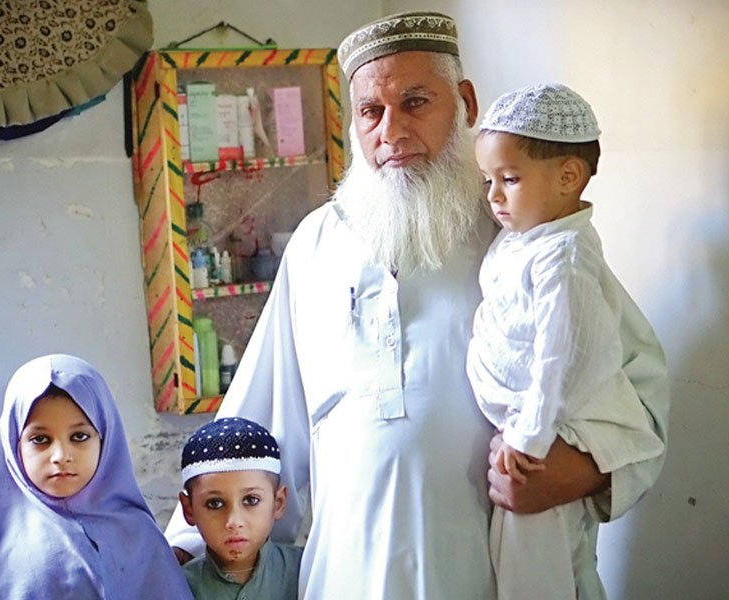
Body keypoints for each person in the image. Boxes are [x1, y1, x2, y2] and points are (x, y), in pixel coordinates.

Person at [165, 11, 670, 599]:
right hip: (347, 571)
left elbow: (639, 394)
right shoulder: (316, 244)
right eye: (371, 112)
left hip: (498, 568)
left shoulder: (528, 236)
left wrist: (576, 474)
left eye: (416, 102)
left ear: (465, 103)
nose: (392, 131)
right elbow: (264, 413)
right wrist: (182, 548)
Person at [466, 83, 666, 600]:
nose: (492, 196)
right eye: (488, 179)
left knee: (541, 577)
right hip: (525, 436)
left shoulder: (565, 258)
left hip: (544, 445)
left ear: (568, 176)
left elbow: (564, 357)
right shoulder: (526, 238)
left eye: (507, 179)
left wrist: (528, 437)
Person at [0, 354, 193, 600]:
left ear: (106, 438)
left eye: (79, 437)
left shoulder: (139, 535)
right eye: (40, 440)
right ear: (14, 444)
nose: (60, 456)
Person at [177, 417, 302, 599]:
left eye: (251, 500)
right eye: (215, 504)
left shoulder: (308, 571)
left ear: (278, 503)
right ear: (189, 509)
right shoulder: (177, 586)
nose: (234, 522)